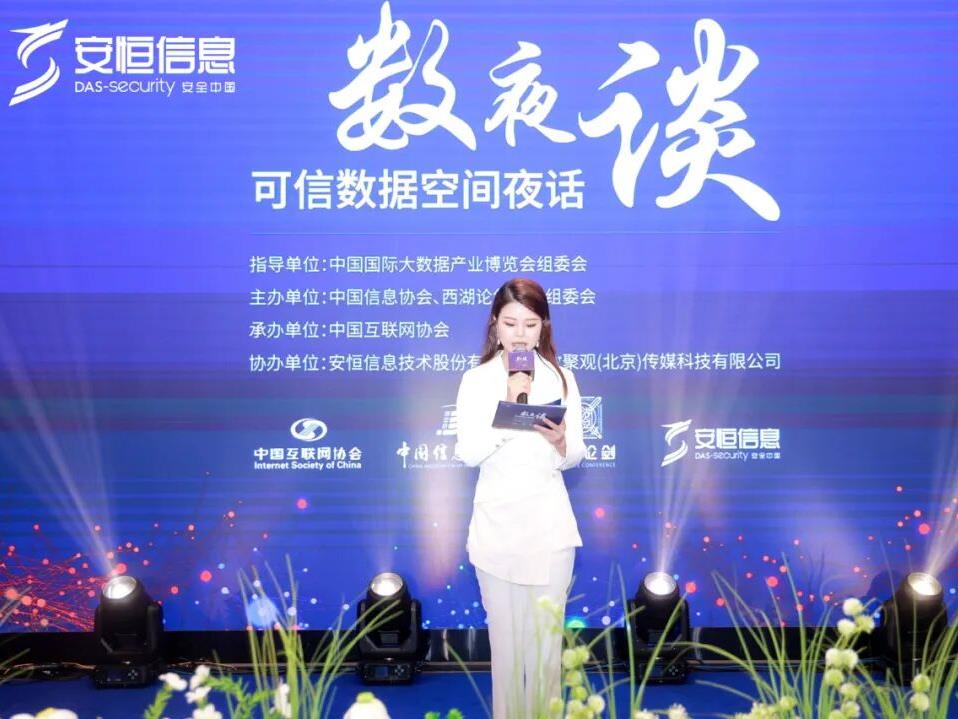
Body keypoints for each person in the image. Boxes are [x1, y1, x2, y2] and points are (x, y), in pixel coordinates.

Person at [454, 278, 586, 718]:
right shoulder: (476, 381)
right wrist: (508, 411)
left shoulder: (562, 378)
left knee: (546, 652)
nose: (520, 334)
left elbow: (576, 454)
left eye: (530, 324)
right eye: (510, 324)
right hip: (497, 532)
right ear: (495, 325)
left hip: (549, 530)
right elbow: (468, 452)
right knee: (507, 652)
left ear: (543, 326)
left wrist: (562, 443)